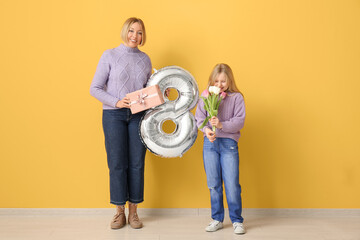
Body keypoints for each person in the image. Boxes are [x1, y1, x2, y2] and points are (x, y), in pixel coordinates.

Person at [90, 17, 152, 229]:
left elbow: (147, 92)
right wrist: (116, 102)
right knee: (117, 164)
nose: (135, 36)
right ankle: (119, 211)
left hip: (138, 116)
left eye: (140, 32)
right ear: (125, 31)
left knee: (137, 163)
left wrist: (162, 93)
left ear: (144, 36)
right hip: (113, 115)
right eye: (132, 31)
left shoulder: (145, 59)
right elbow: (95, 88)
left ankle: (134, 211)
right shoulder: (109, 55)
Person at [195, 63, 246, 235]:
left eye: (223, 81)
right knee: (213, 184)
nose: (219, 85)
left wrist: (222, 125)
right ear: (211, 81)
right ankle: (217, 218)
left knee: (232, 184)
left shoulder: (236, 98)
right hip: (210, 144)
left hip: (229, 144)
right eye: (216, 81)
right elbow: (199, 117)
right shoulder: (206, 97)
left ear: (229, 81)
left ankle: (237, 220)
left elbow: (240, 121)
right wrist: (207, 130)